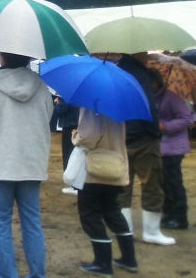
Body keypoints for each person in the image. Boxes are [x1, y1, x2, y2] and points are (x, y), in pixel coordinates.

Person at [0, 52, 53, 278]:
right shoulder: (42, 87)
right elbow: (47, 119)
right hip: (31, 165)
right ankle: (37, 274)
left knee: (0, 224)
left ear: (1, 57)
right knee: (32, 222)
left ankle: (7, 275)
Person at [114, 54, 175, 245]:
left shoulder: (114, 72)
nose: (147, 56)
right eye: (145, 52)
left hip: (120, 136)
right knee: (152, 184)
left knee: (122, 186)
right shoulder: (142, 74)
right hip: (143, 137)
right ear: (137, 53)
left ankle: (125, 231)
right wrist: (155, 132)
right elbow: (149, 108)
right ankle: (151, 231)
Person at [72, 108, 137, 275]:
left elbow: (89, 138)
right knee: (112, 211)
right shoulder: (117, 109)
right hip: (115, 165)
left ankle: (102, 262)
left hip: (95, 168)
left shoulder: (91, 107)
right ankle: (129, 258)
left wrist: (76, 136)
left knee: (90, 214)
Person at [150, 69, 192, 230]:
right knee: (163, 183)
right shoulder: (152, 97)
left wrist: (165, 126)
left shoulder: (171, 97)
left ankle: (180, 217)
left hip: (174, 147)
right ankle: (168, 213)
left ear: (156, 82)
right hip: (160, 146)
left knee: (173, 182)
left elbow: (187, 119)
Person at [52, 96, 80, 195]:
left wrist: (56, 105)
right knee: (76, 153)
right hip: (77, 122)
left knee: (69, 153)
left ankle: (74, 184)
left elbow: (62, 108)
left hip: (69, 124)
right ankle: (76, 183)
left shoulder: (66, 90)